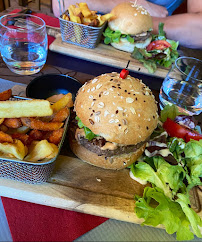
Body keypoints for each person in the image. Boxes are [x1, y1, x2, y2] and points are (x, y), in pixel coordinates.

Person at [52, 0, 202, 49]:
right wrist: (132, 3)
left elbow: (199, 31)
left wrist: (140, 21)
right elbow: (62, 4)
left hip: (147, 54)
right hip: (81, 43)